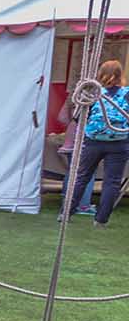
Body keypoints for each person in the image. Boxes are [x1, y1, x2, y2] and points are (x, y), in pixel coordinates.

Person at [69, 59, 129, 227]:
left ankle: (66, 213)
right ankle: (101, 220)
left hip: (93, 140)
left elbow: (79, 116)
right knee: (112, 181)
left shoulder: (93, 92)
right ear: (120, 75)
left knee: (82, 176)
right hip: (119, 141)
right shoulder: (127, 93)